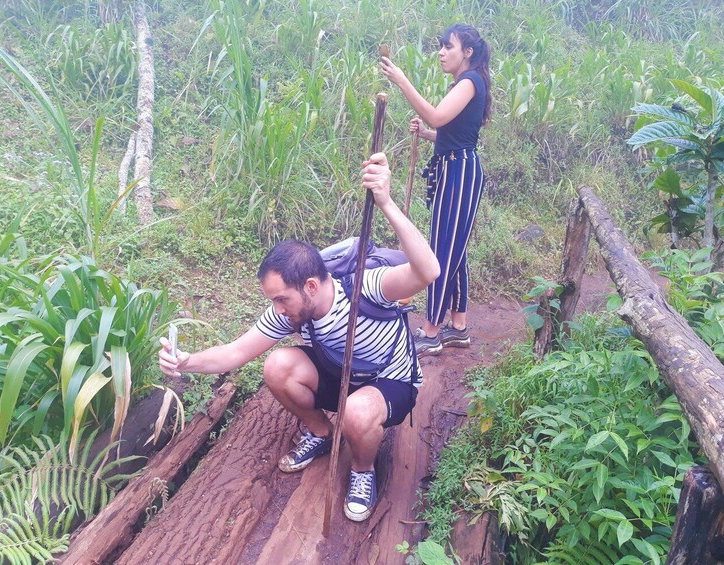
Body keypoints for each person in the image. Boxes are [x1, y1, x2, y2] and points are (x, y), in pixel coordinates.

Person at [158, 153, 439, 523]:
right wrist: (187, 362)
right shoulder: (292, 311)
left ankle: (362, 470)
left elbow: (427, 270)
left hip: (389, 382)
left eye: (281, 299)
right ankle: (321, 432)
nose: (278, 308)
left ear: (310, 286)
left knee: (358, 412)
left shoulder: (364, 288)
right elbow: (236, 352)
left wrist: (385, 202)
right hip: (341, 376)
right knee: (277, 365)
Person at [380, 23, 492, 357]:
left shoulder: (470, 81)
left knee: (443, 250)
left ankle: (431, 331)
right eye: (440, 46)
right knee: (455, 248)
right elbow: (453, 131)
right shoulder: (467, 82)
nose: (441, 53)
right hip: (455, 166)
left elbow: (437, 116)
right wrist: (429, 135)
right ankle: (458, 327)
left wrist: (401, 80)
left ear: (467, 52)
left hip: (459, 172)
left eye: (448, 47)